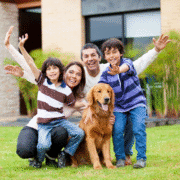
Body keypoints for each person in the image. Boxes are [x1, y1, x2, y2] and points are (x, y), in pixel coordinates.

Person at [5, 26, 170, 166]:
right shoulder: (62, 81)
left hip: (60, 125)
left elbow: (136, 65)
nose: (74, 76)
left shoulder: (105, 72)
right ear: (81, 60)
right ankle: (42, 154)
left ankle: (125, 154)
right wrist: (13, 54)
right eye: (86, 57)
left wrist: (155, 50)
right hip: (38, 125)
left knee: (120, 120)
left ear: (99, 57)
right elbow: (35, 74)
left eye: (93, 55)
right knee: (27, 148)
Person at [80, 34, 170, 165]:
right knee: (116, 129)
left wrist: (118, 70)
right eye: (108, 53)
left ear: (121, 53)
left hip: (135, 103)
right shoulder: (101, 74)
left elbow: (131, 66)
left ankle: (141, 158)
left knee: (138, 127)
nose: (112, 55)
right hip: (119, 107)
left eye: (115, 52)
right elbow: (96, 91)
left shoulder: (126, 63)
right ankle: (120, 158)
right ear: (105, 56)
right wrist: (89, 108)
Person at [17, 33, 86, 168]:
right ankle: (38, 160)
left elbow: (72, 103)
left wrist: (84, 104)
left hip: (59, 121)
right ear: (45, 72)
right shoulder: (42, 81)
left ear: (61, 71)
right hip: (43, 123)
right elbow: (30, 62)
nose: (52, 71)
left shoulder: (66, 89)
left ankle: (64, 154)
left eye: (55, 68)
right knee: (44, 145)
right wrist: (22, 47)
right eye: (49, 69)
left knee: (79, 133)